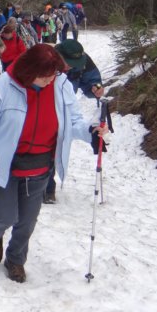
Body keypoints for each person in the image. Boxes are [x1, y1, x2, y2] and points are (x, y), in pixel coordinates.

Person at [0, 44, 109, 283]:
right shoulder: (3, 86)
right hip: (6, 164)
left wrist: (91, 132)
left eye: (53, 74)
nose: (50, 80)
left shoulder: (61, 85)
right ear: (29, 70)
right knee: (6, 216)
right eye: (45, 76)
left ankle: (15, 259)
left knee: (27, 222)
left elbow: (73, 121)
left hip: (40, 165)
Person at [43, 39, 105, 204]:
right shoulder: (44, 62)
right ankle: (43, 187)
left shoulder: (82, 60)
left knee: (54, 148)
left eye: (75, 64)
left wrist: (96, 88)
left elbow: (93, 80)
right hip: (42, 108)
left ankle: (47, 188)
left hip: (65, 107)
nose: (71, 67)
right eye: (68, 63)